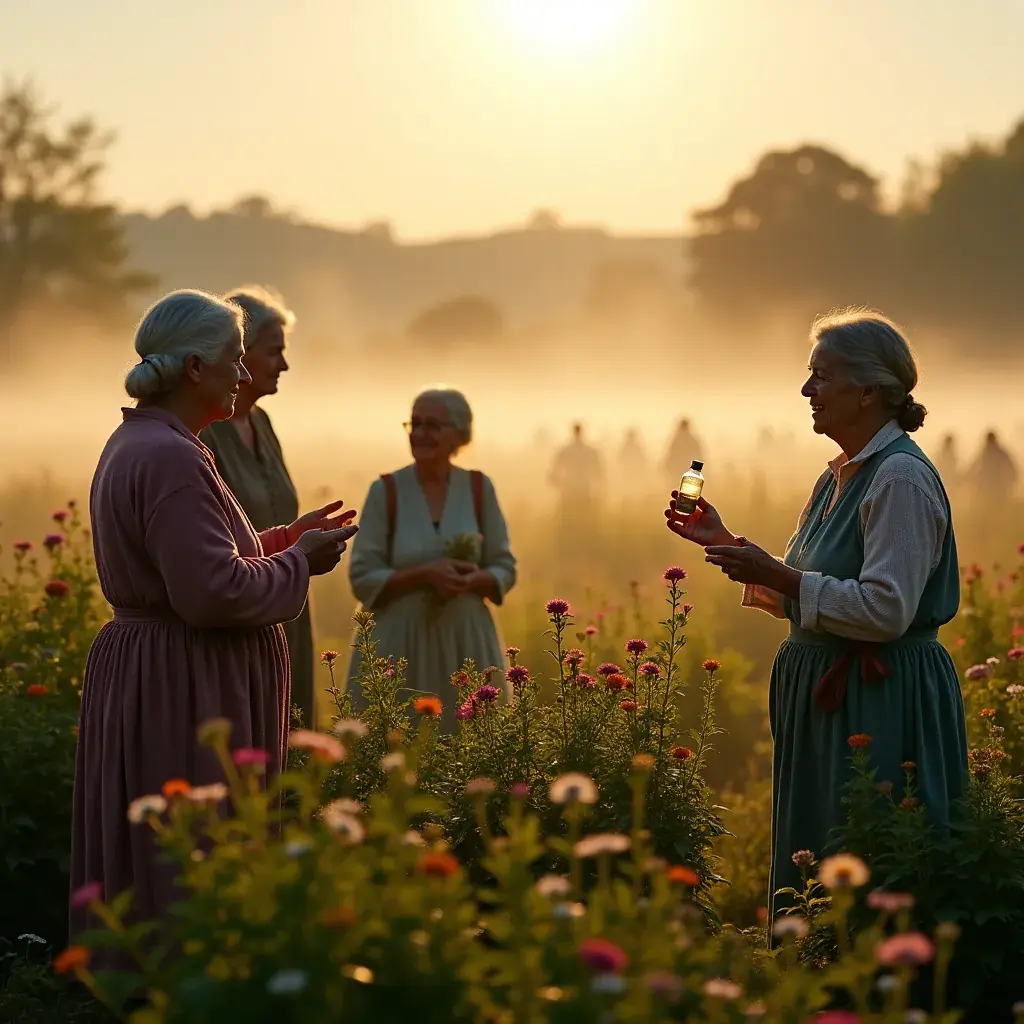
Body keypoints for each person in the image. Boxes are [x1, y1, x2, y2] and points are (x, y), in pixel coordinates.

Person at [70, 290, 356, 950]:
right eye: (234, 358)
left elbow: (196, 560)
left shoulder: (151, 442)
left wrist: (284, 542)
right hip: (182, 685)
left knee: (166, 854)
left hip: (163, 670)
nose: (244, 374)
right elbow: (210, 592)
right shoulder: (171, 457)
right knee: (192, 853)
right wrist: (298, 565)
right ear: (195, 367)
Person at [665, 309, 967, 928]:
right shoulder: (838, 478)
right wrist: (729, 543)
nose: (807, 391)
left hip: (879, 700)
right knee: (820, 852)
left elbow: (883, 611)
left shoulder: (900, 479)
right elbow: (816, 594)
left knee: (872, 850)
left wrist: (775, 574)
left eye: (821, 377)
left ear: (867, 389)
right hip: (837, 694)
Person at [347, 388, 516, 730]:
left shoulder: (479, 489)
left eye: (433, 425)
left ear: (459, 434)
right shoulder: (386, 492)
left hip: (466, 645)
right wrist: (425, 575)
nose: (420, 434)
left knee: (474, 743)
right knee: (398, 739)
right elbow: (363, 575)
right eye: (415, 423)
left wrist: (473, 580)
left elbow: (504, 566)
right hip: (398, 648)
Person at [200, 285, 316, 728]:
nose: (284, 364)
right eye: (274, 352)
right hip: (239, 609)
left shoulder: (263, 423)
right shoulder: (205, 432)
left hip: (284, 601)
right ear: (238, 353)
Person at [968, 429, 1018, 505]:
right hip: (990, 485)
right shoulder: (989, 453)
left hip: (994, 485)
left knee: (993, 506)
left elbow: (974, 467)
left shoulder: (987, 453)